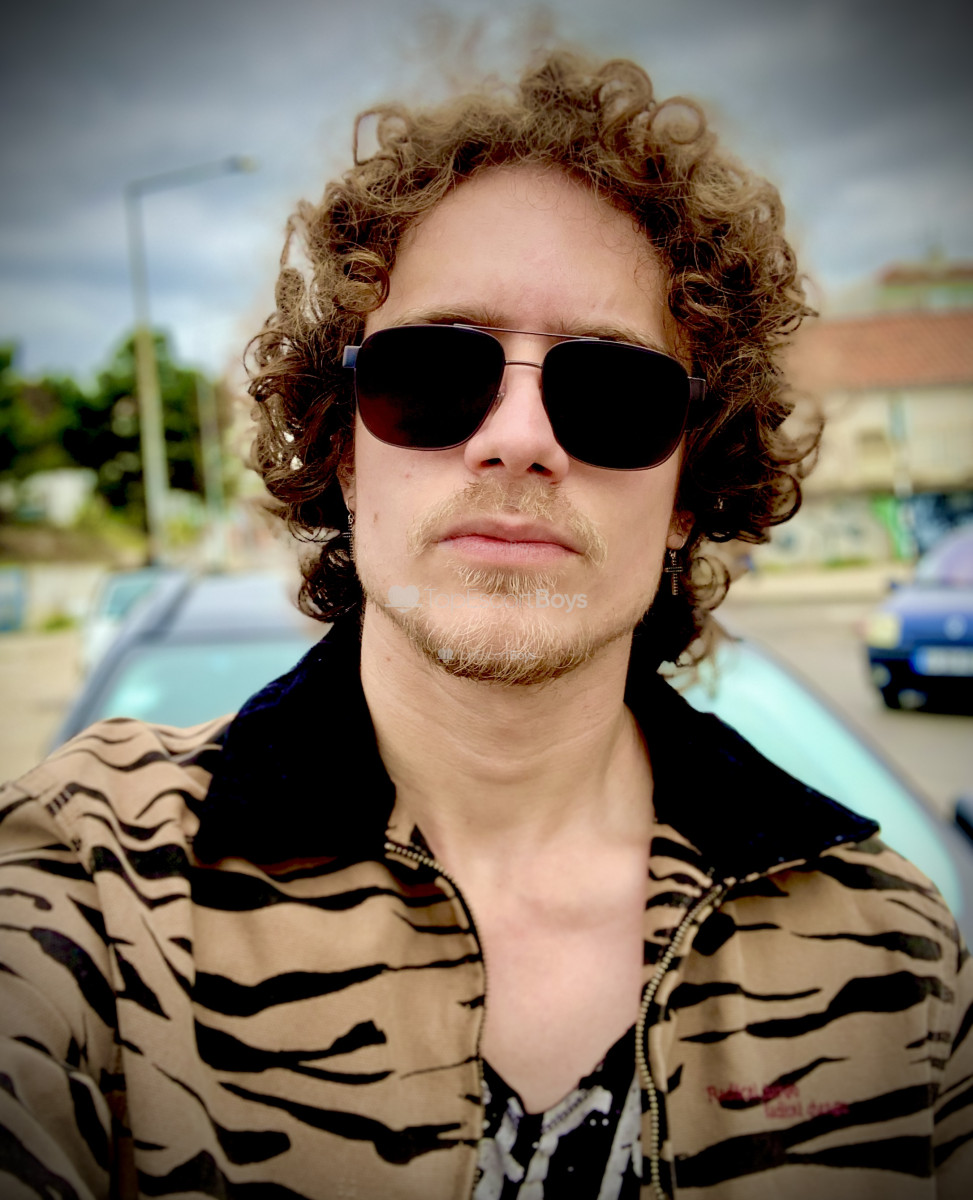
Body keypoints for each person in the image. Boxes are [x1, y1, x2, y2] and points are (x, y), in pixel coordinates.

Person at [1, 50, 970, 1200]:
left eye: (611, 392)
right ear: (344, 453)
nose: (517, 439)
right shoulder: (96, 885)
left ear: (689, 490)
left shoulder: (892, 961)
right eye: (432, 375)